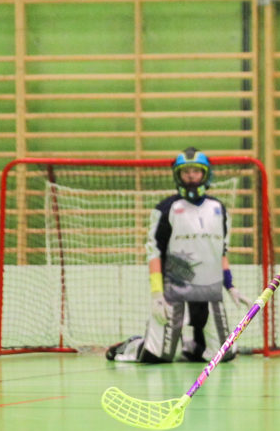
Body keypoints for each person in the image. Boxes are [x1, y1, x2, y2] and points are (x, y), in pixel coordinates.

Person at [106, 147, 253, 364]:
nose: (191, 176)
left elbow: (220, 253)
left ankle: (193, 345)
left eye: (196, 171)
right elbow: (155, 253)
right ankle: (133, 344)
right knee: (156, 357)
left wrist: (231, 286)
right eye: (186, 172)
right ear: (178, 175)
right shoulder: (166, 209)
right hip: (174, 289)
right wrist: (157, 295)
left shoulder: (219, 209)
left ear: (205, 174)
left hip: (209, 289)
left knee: (224, 354)